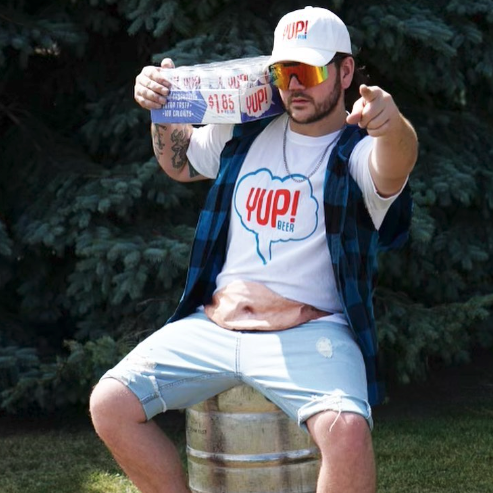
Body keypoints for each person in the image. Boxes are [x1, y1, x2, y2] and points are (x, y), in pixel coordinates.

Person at [90, 6, 418, 493]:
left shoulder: (357, 151)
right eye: (284, 71)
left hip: (311, 333)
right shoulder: (244, 131)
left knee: (347, 431)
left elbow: (396, 163)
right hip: (213, 327)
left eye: (309, 70)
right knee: (109, 404)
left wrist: (392, 126)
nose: (295, 85)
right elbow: (180, 164)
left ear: (346, 72)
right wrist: (161, 109)